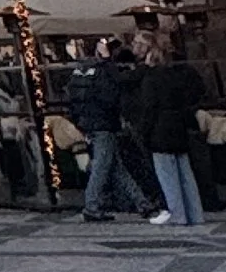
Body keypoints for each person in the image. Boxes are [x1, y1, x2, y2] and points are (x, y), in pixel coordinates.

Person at [130, 37, 209, 225]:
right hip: (178, 127)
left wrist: (142, 131)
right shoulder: (176, 76)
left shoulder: (151, 79)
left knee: (168, 176)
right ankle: (195, 214)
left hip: (160, 130)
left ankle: (177, 215)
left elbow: (150, 108)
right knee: (185, 174)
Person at [75, 38, 153, 222]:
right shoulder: (104, 70)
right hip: (103, 124)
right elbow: (114, 92)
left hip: (90, 123)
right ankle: (91, 206)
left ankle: (142, 202)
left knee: (116, 167)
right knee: (102, 166)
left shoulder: (82, 69)